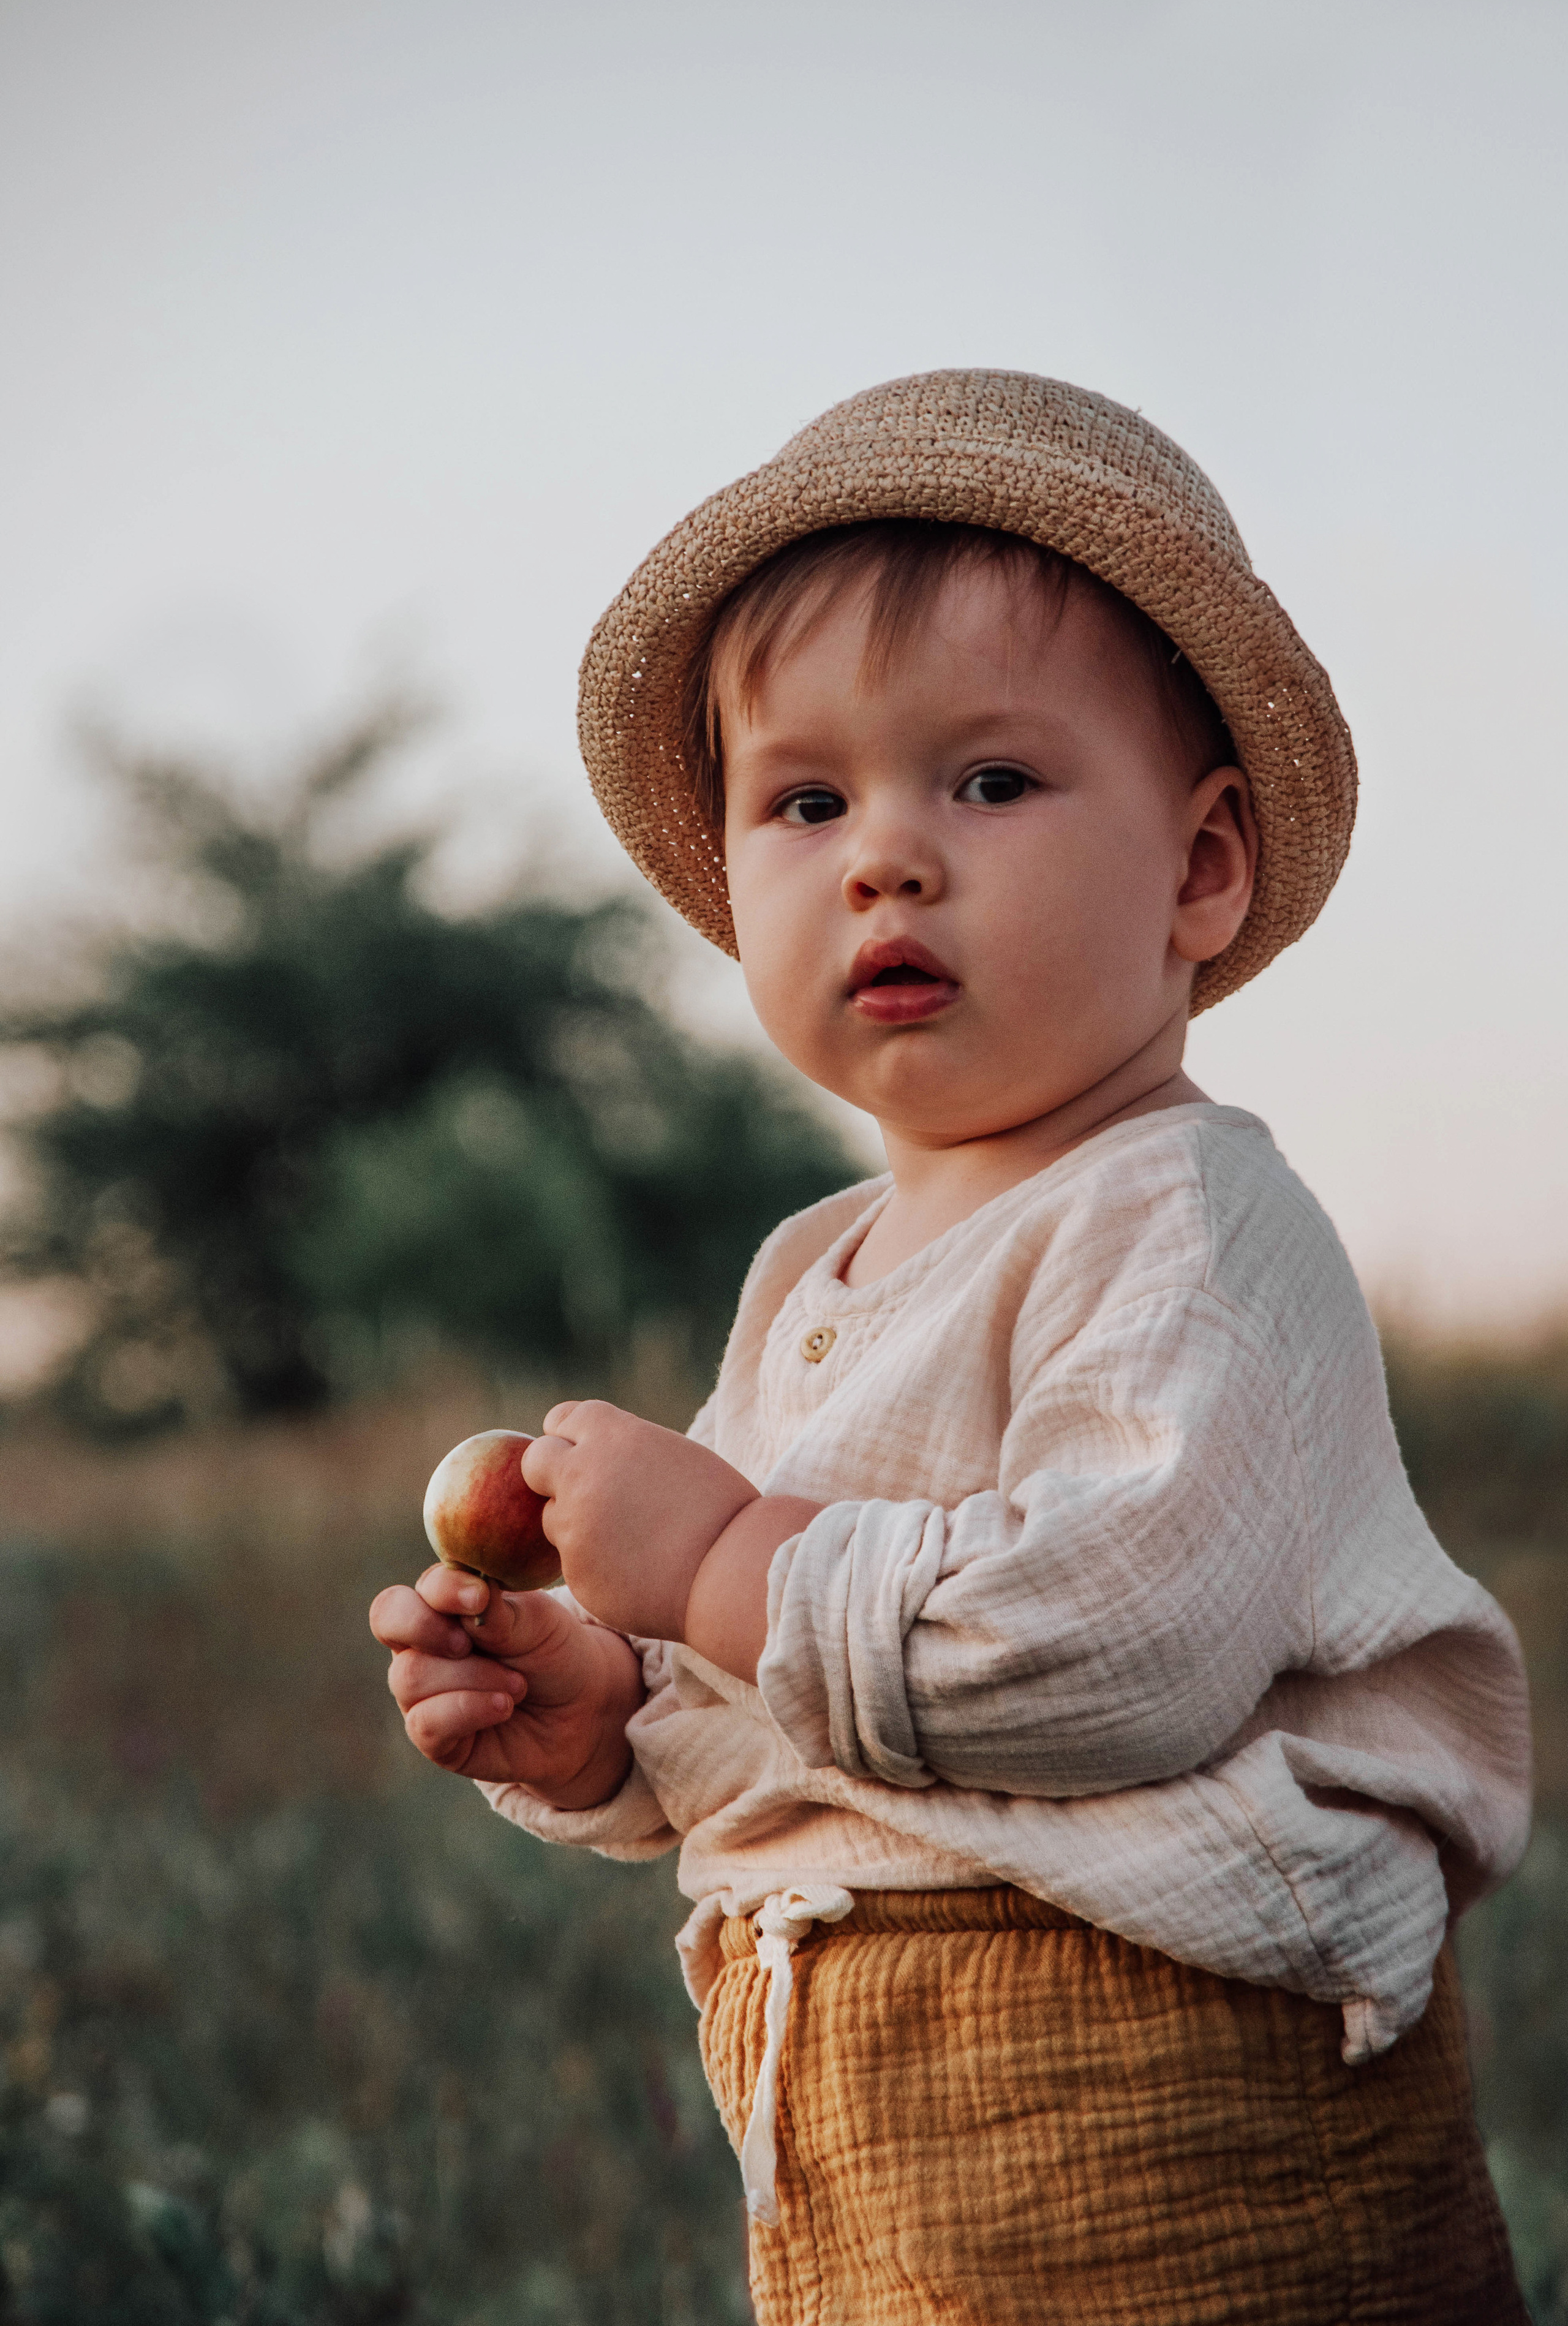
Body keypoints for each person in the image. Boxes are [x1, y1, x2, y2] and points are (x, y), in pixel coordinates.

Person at [370, 370, 1532, 2324]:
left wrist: (732, 1562)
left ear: (1200, 868)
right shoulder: (813, 1271)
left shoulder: (1187, 1222)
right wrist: (611, 1717)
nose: (885, 857)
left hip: (1164, 2095)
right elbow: (793, 1696)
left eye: (988, 781)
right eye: (808, 799)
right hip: (860, 2119)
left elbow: (1117, 1646)